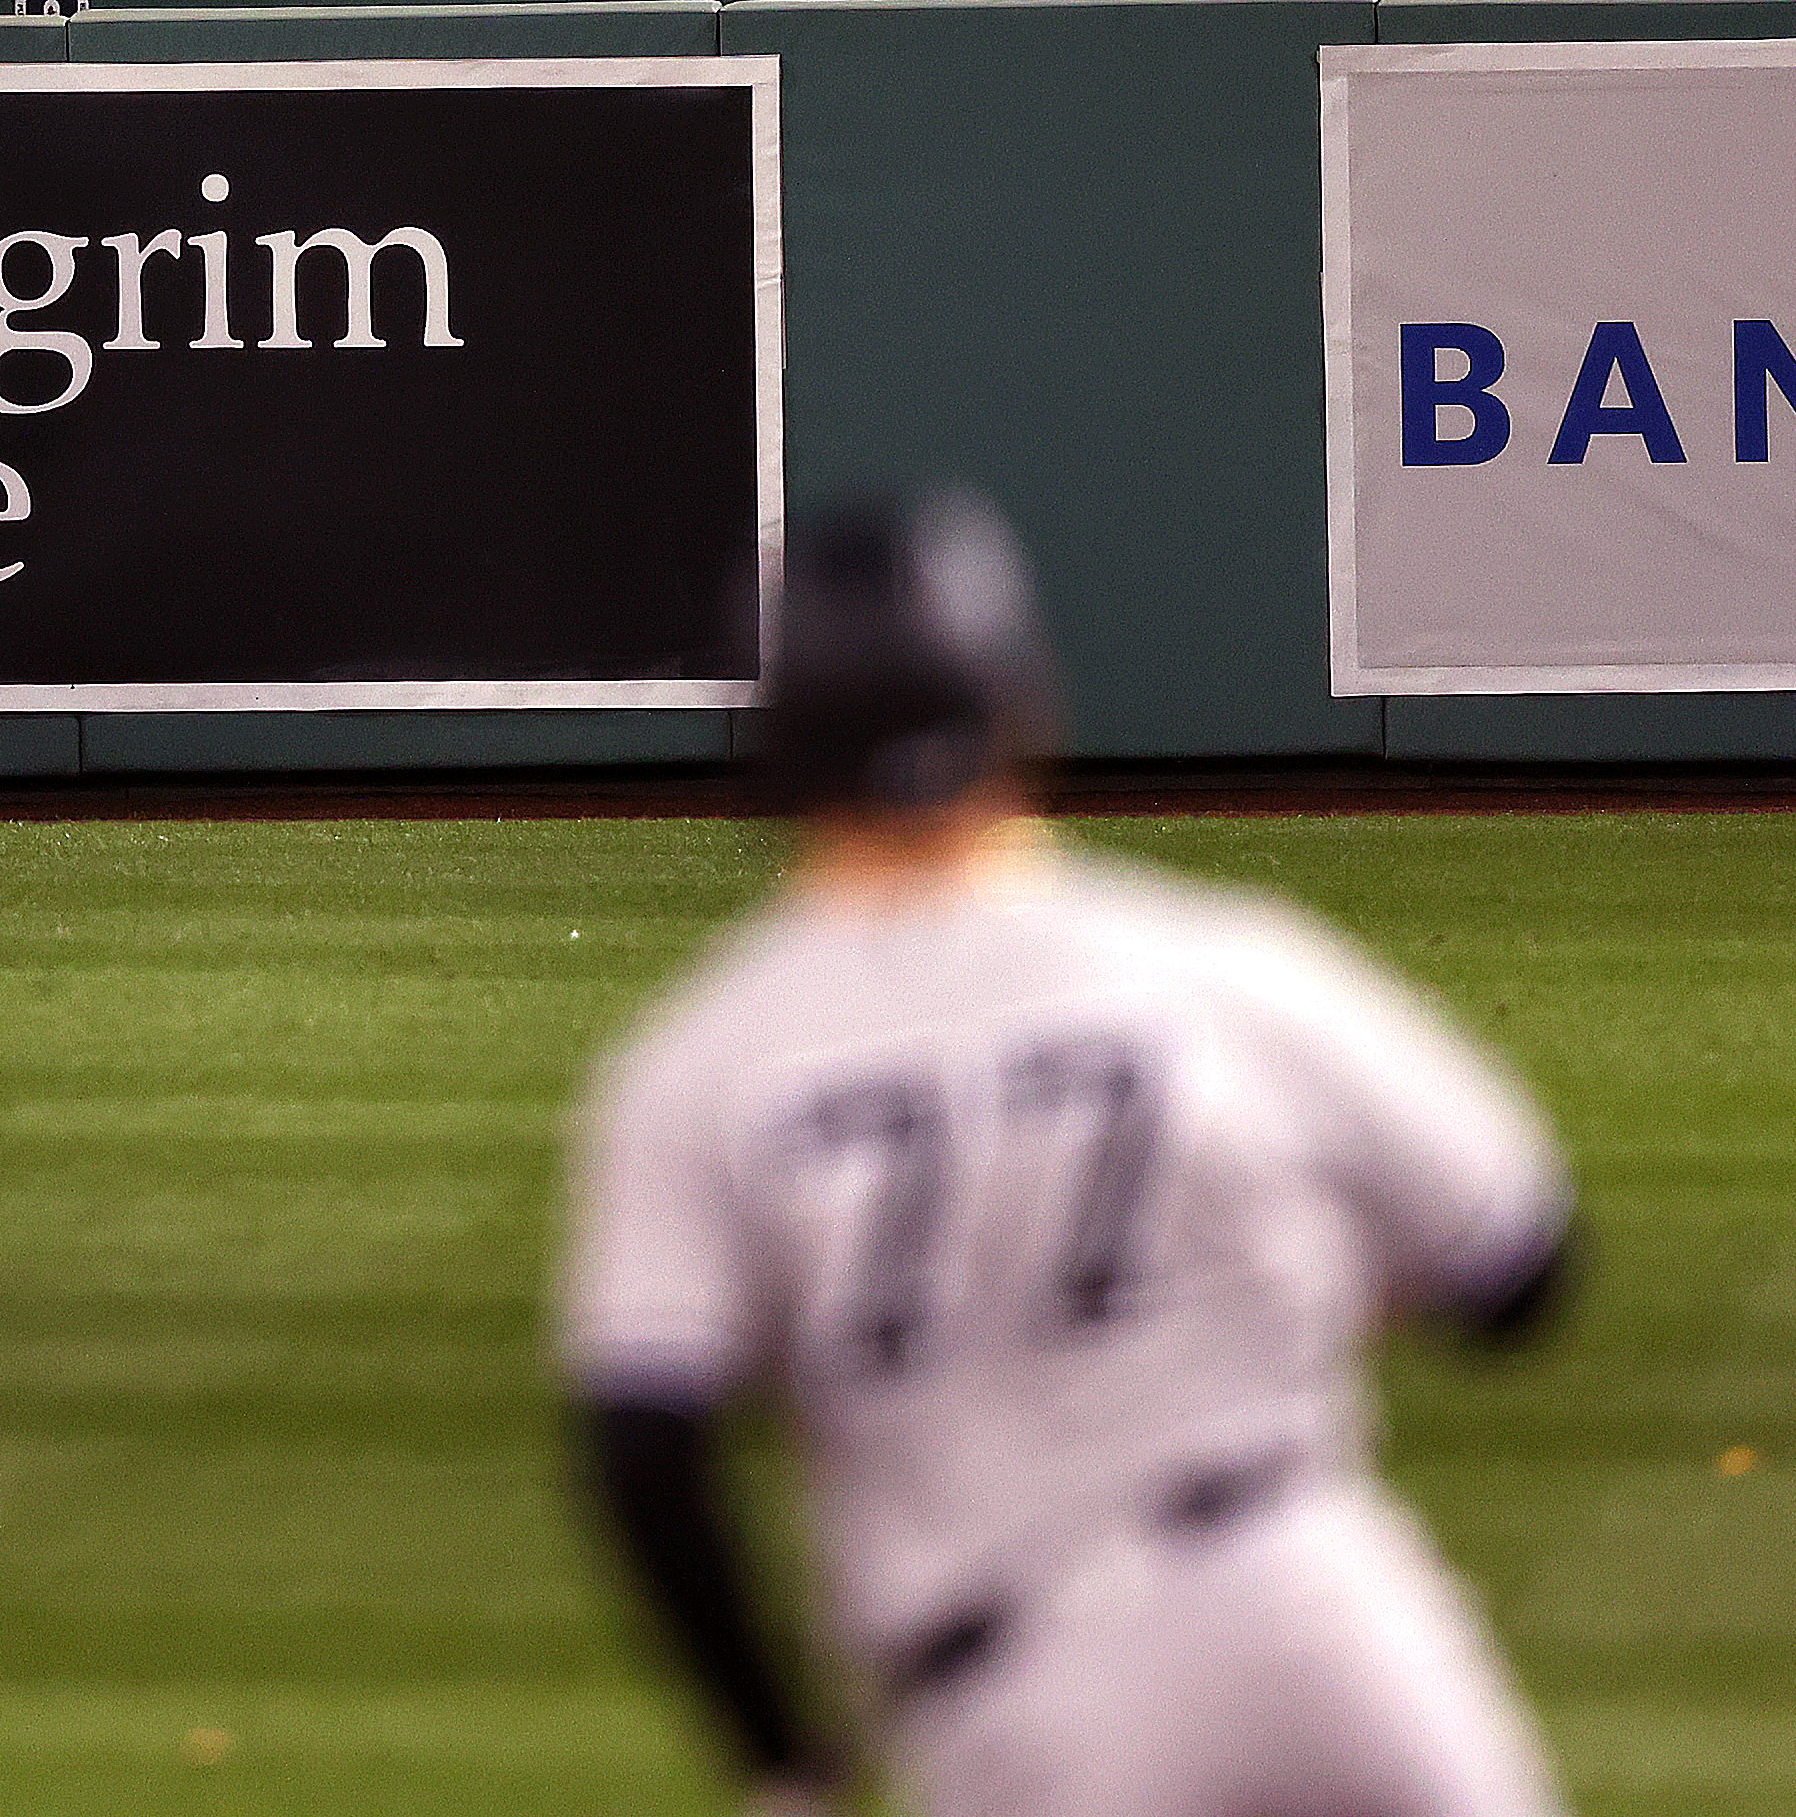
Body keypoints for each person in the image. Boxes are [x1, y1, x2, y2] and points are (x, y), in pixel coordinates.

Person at [556, 489, 1578, 1817]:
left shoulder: (704, 1060)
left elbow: (644, 1444)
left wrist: (779, 1755)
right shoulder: (1214, 960)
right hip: (1315, 1609)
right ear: (1019, 707)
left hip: (1022, 1693)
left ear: (773, 753)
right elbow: (1523, 1268)